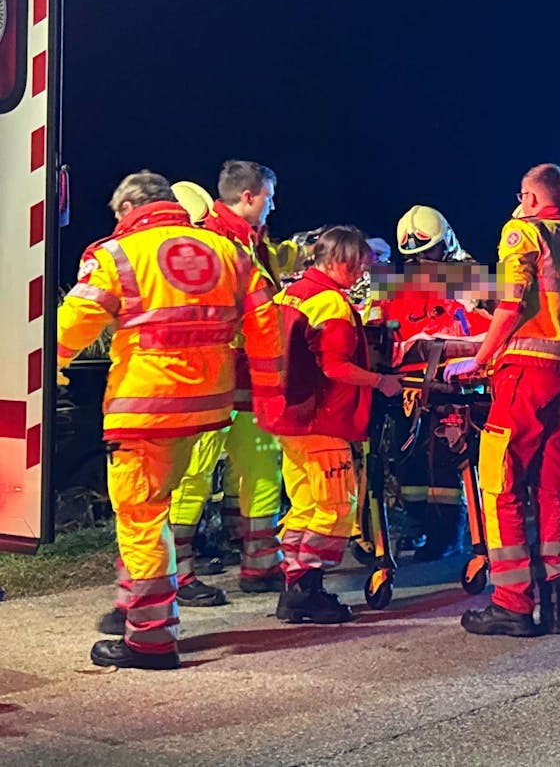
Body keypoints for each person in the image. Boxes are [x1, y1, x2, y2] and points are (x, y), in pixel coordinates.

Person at [58, 171, 284, 669]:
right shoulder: (230, 252)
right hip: (207, 407)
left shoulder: (117, 254)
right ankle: (132, 606)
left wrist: (34, 377)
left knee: (141, 518)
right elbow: (267, 328)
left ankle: (152, 637)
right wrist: (269, 395)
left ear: (125, 210)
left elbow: (70, 327)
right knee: (157, 509)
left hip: (143, 408)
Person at [454, 164, 560, 637]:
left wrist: (479, 359)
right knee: (552, 491)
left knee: (501, 487)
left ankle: (512, 604)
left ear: (528, 195)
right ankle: (557, 602)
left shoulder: (522, 232)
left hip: (525, 374)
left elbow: (511, 302)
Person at [259, 227, 400, 623]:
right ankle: (310, 589)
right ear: (339, 262)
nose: (358, 277)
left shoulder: (289, 293)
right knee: (336, 507)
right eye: (357, 268)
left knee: (303, 505)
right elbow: (336, 366)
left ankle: (294, 588)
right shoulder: (331, 304)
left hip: (289, 418)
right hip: (323, 420)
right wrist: (380, 382)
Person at [195, 160, 301, 594]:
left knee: (261, 466)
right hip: (213, 377)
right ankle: (179, 572)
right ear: (249, 196)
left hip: (250, 377)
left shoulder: (249, 242)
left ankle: (261, 563)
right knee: (195, 474)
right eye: (269, 199)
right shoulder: (211, 242)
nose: (272, 208)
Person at [386, 205, 489, 561]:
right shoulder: (398, 280)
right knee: (407, 460)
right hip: (407, 388)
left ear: (444, 243)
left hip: (453, 387)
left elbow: (490, 326)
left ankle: (447, 534)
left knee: (445, 461)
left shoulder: (474, 276)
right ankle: (416, 524)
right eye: (414, 256)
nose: (422, 262)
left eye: (427, 253)